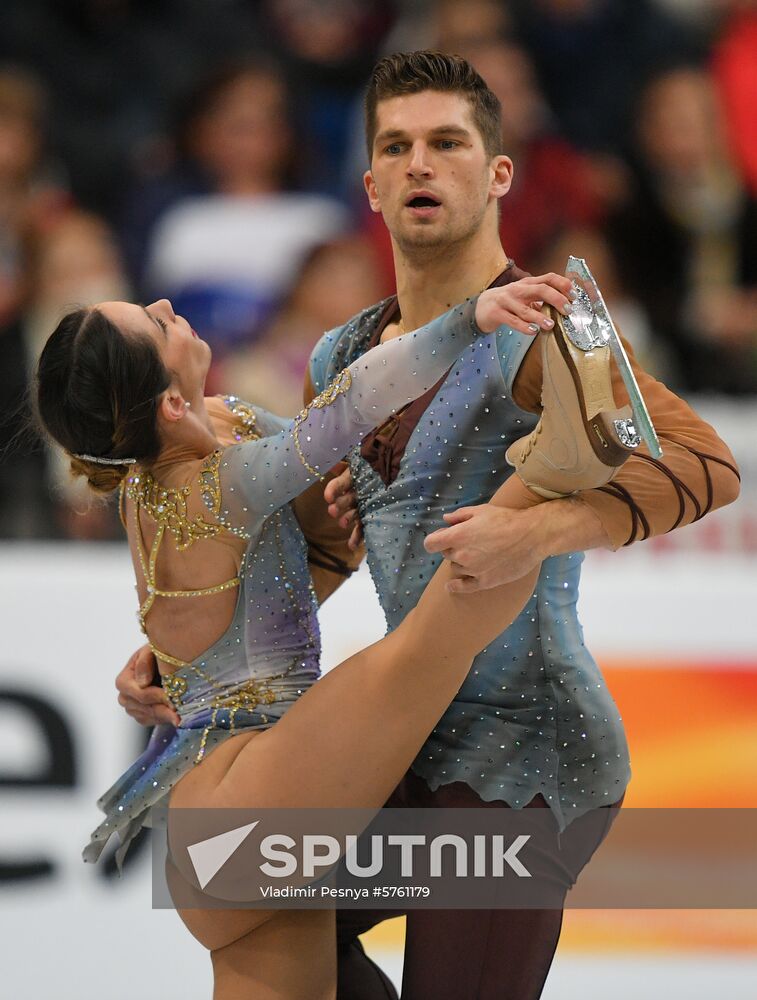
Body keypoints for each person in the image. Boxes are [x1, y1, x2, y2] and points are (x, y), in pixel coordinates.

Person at [117, 51, 740, 1000]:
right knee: (245, 891)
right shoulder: (344, 351)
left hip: (529, 755)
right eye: (397, 147)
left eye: (447, 143)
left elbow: (705, 465)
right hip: (413, 742)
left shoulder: (539, 327)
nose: (420, 164)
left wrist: (536, 533)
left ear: (498, 174)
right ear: (368, 184)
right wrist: (184, 654)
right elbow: (327, 551)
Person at [35, 268, 636, 997]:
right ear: (165, 401)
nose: (166, 305)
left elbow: (331, 465)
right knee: (432, 639)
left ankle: (560, 460)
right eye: (155, 324)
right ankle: (562, 463)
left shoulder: (211, 430)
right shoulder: (203, 485)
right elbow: (347, 409)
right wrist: (467, 317)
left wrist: (346, 487)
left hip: (236, 817)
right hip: (242, 792)